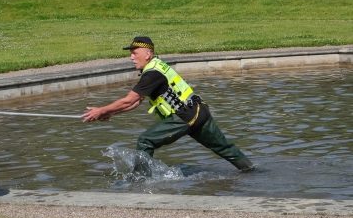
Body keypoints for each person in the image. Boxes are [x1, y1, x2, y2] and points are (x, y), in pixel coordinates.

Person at [82, 36, 254, 172]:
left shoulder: (152, 73)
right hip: (198, 111)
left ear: (147, 54)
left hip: (184, 116)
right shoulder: (155, 68)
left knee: (145, 141)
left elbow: (130, 99)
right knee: (224, 148)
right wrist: (108, 113)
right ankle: (250, 170)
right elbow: (135, 103)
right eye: (131, 53)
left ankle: (140, 179)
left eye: (135, 53)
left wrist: (101, 110)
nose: (131, 57)